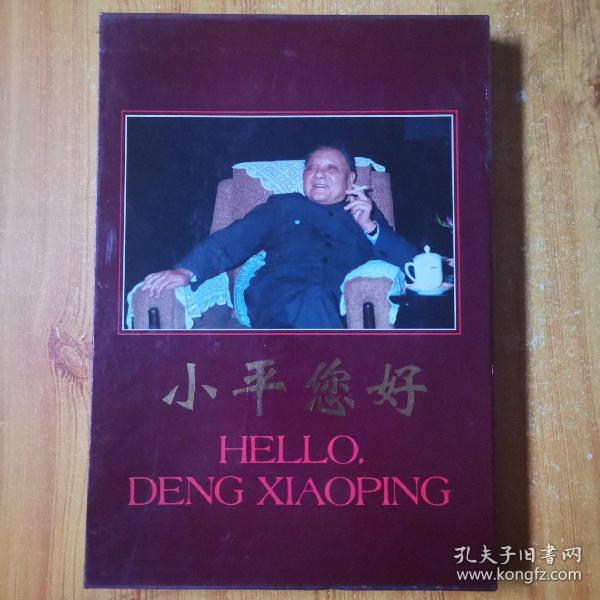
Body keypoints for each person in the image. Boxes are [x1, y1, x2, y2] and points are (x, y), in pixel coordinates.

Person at [142, 145, 416, 328]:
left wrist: (370, 227)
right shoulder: (284, 205)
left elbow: (411, 266)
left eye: (330, 168)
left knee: (315, 303)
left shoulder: (366, 214)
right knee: (312, 300)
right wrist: (187, 271)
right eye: (312, 167)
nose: (318, 174)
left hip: (332, 303)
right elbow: (234, 239)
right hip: (275, 295)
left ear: (351, 179)